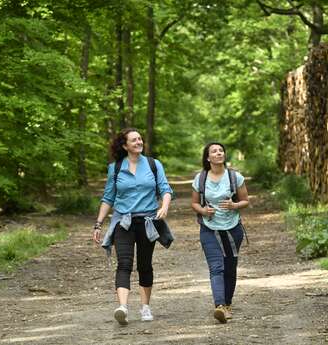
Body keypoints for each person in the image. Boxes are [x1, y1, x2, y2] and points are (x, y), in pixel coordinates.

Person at [92, 128, 173, 325]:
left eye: (140, 139)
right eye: (134, 140)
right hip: (123, 222)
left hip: (148, 222)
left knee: (145, 265)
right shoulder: (116, 168)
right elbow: (108, 197)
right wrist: (98, 223)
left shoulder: (154, 164)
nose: (138, 142)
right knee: (124, 263)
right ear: (124, 145)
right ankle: (123, 308)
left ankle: (145, 307)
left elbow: (165, 189)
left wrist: (164, 206)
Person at [191, 142, 249, 323]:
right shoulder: (200, 179)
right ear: (208, 158)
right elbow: (194, 203)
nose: (218, 153)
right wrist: (202, 211)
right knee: (216, 267)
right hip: (209, 229)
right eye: (214, 151)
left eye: (221, 150)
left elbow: (245, 200)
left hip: (233, 229)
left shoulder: (235, 177)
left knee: (230, 268)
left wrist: (234, 205)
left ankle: (228, 304)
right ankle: (220, 306)